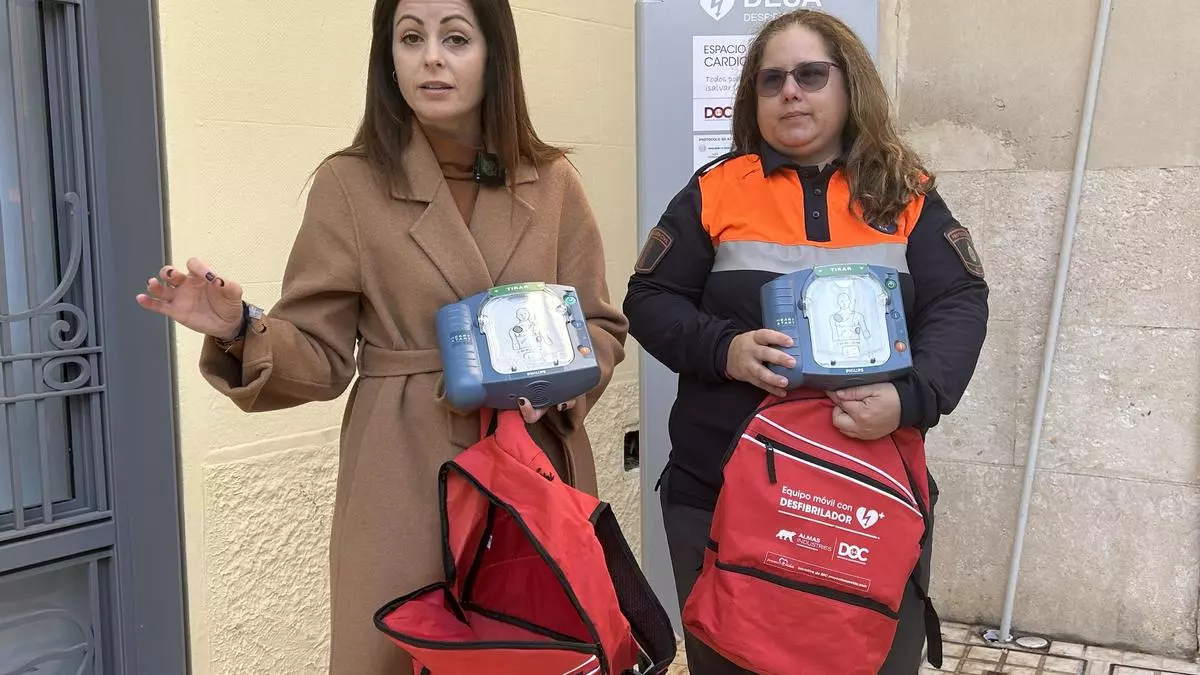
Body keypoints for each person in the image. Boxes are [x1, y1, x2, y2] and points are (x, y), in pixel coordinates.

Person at [135, 0, 627, 672]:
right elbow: (322, 354)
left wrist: (559, 382)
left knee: (537, 645)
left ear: (495, 54)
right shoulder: (351, 183)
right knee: (395, 650)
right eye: (410, 37)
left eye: (456, 38)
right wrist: (240, 326)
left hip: (529, 465)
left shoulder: (554, 182)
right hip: (402, 472)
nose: (432, 57)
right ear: (387, 57)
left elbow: (600, 325)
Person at [624, 9, 987, 675]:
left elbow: (959, 301)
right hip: (722, 491)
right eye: (772, 80)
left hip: (866, 494)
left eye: (810, 75)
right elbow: (648, 300)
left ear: (850, 84)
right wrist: (725, 349)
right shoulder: (716, 190)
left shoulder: (904, 193)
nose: (790, 91)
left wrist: (909, 399)